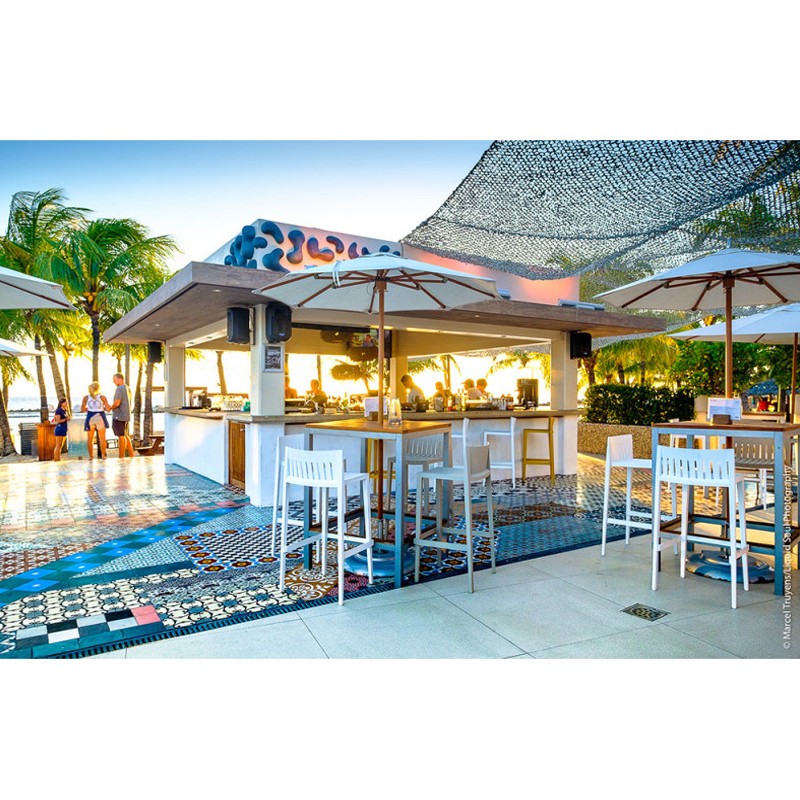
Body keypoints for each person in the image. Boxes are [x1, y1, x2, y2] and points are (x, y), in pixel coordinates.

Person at [81, 381, 111, 460]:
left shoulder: (86, 397)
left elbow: (82, 409)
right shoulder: (102, 397)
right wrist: (102, 407)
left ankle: (91, 457)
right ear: (98, 388)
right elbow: (108, 409)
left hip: (90, 417)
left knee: (90, 438)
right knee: (102, 438)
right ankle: (103, 456)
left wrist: (90, 408)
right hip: (100, 417)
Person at [109, 373, 135, 458]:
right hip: (126, 416)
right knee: (126, 435)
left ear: (120, 379)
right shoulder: (127, 388)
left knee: (121, 436)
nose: (113, 382)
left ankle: (121, 457)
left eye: (114, 380)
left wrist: (110, 408)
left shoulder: (119, 388)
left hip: (119, 416)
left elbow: (117, 403)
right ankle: (132, 455)